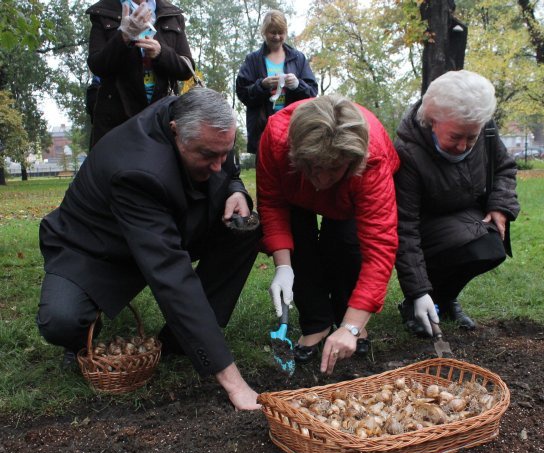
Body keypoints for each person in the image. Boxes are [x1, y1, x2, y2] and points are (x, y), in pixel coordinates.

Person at [37, 87, 262, 410]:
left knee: (245, 228)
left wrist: (236, 190)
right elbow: (171, 275)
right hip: (97, 249)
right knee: (61, 320)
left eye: (224, 153)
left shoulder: (201, 125)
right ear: (174, 133)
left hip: (171, 220)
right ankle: (82, 331)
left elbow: (228, 171)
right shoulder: (137, 169)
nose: (218, 165)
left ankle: (178, 340)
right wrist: (234, 383)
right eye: (207, 156)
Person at [256, 95, 399, 375]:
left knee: (347, 241)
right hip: (295, 187)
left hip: (351, 191)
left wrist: (351, 326)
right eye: (314, 168)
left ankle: (351, 321)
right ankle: (317, 322)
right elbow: (272, 204)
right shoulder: (276, 138)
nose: (321, 180)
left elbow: (380, 249)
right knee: (299, 240)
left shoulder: (371, 158)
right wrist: (283, 265)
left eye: (331, 169)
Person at [393, 70, 520, 336]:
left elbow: (505, 167)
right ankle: (419, 304)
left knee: (489, 248)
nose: (463, 146)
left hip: (465, 216)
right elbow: (405, 227)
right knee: (466, 248)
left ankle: (444, 299)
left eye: (470, 138)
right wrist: (418, 292)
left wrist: (499, 205)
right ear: (432, 121)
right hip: (426, 227)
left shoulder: (484, 129)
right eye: (455, 137)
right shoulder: (408, 152)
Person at [86, 0, 194, 148]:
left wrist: (161, 53)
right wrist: (123, 36)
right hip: (117, 124)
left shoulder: (172, 14)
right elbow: (97, 65)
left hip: (161, 122)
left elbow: (187, 70)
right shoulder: (104, 11)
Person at [236, 9, 318, 154]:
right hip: (263, 129)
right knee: (266, 174)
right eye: (272, 32)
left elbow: (312, 93)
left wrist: (298, 85)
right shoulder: (253, 60)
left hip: (293, 129)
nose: (277, 37)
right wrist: (262, 85)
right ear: (264, 32)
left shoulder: (298, 58)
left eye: (281, 33)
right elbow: (242, 93)